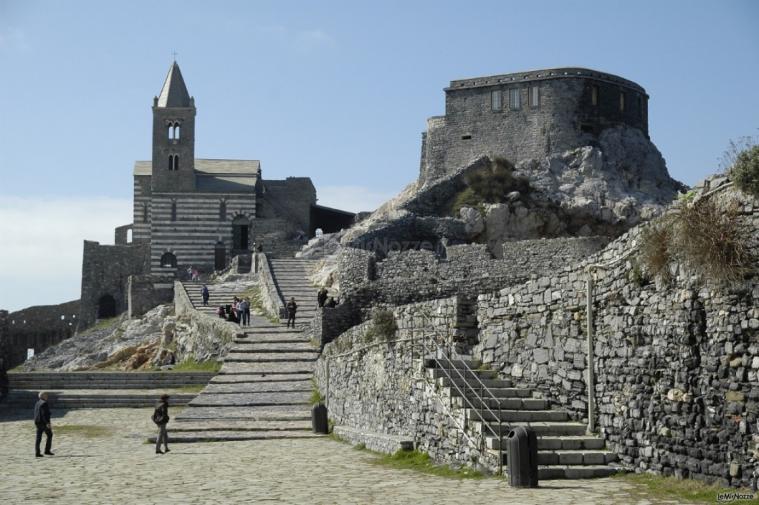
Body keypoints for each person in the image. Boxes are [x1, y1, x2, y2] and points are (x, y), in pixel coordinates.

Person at [34, 392, 53, 457]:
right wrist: (47, 423)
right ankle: (47, 450)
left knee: (38, 438)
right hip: (43, 423)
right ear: (43, 396)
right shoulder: (44, 403)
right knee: (50, 435)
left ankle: (37, 452)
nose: (47, 396)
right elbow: (44, 414)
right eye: (46, 395)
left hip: (38, 422)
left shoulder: (37, 402)